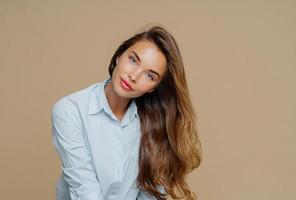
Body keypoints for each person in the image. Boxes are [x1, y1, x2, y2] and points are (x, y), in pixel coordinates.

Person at [51, 24, 202, 200]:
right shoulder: (70, 110)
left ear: (154, 88)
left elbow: (150, 194)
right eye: (133, 59)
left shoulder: (153, 123)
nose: (134, 76)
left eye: (150, 75)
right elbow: (85, 191)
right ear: (118, 56)